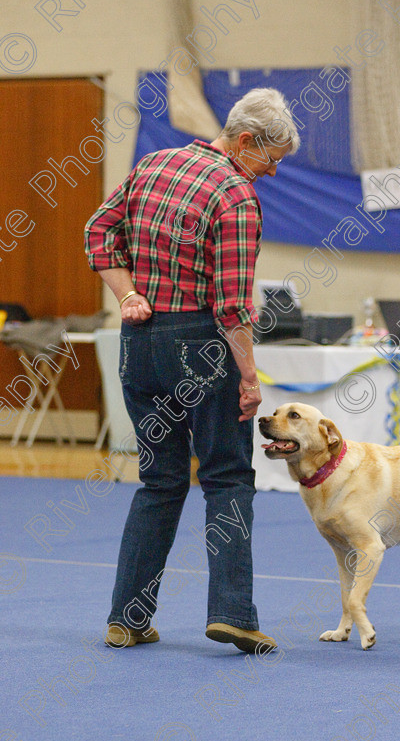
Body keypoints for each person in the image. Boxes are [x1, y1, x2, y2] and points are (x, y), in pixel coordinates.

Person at [85, 88, 300, 653]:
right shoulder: (235, 195)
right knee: (228, 477)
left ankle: (126, 619)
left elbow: (98, 233)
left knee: (159, 481)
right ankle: (232, 614)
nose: (273, 173)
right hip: (201, 348)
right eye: (271, 159)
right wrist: (249, 376)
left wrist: (128, 293)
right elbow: (233, 304)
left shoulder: (154, 163)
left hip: (141, 345)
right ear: (245, 141)